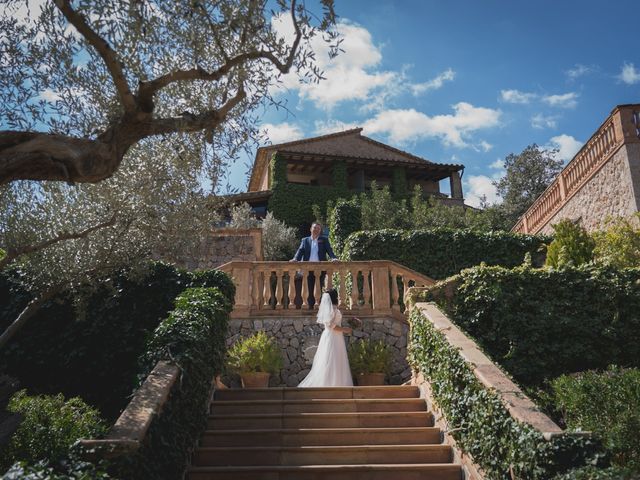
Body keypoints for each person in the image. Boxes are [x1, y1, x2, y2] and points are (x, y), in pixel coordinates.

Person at [298, 289, 353, 387]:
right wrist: (345, 329)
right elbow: (330, 325)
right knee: (331, 360)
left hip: (336, 337)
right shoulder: (332, 310)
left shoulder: (333, 309)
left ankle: (337, 383)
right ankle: (330, 383)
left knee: (336, 360)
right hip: (332, 337)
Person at [291, 222, 338, 307]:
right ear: (311, 229)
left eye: (318, 229)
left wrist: (333, 258)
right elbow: (300, 251)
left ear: (320, 231)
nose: (316, 230)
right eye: (315, 228)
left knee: (318, 288)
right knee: (309, 288)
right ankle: (310, 307)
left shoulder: (324, 240)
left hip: (320, 269)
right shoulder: (305, 240)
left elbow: (329, 250)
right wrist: (295, 259)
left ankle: (317, 307)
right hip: (308, 270)